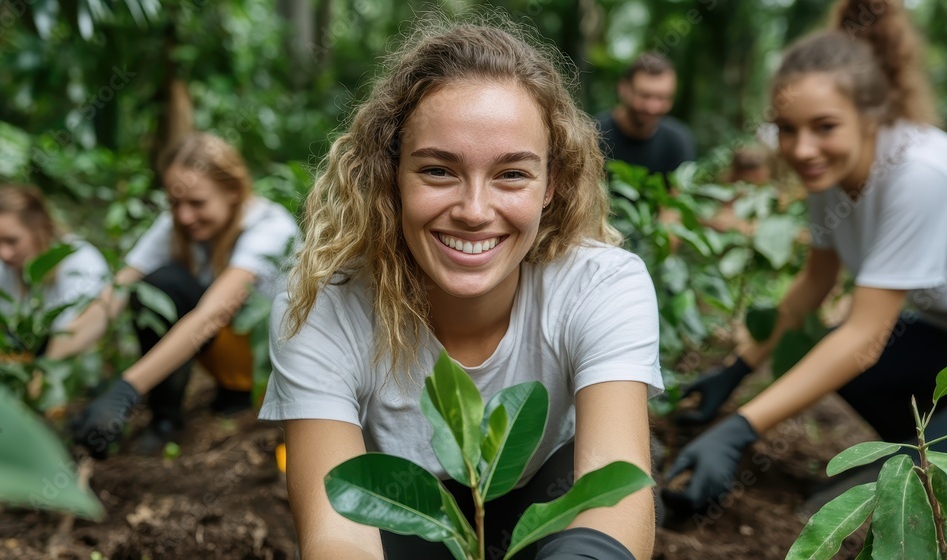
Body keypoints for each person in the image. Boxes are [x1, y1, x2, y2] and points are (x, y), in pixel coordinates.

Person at [257, 20, 663, 560]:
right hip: (409, 520)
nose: (474, 211)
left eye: (512, 175)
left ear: (552, 185)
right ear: (390, 174)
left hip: (548, 513)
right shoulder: (320, 302)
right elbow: (337, 533)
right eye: (438, 171)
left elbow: (617, 491)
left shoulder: (602, 284)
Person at [663, 0, 947, 515]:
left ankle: (935, 470)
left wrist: (739, 430)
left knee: (928, 490)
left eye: (824, 126)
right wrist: (737, 369)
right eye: (786, 128)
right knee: (847, 366)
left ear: (871, 116)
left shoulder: (919, 173)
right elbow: (814, 284)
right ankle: (926, 453)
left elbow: (864, 337)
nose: (801, 149)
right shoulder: (830, 171)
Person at [65, 132, 299, 456]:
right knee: (153, 286)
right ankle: (166, 419)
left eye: (197, 203)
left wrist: (124, 391)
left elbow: (215, 312)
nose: (184, 216)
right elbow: (117, 291)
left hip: (273, 365)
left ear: (232, 192)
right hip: (226, 353)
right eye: (175, 202)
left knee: (168, 284)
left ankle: (239, 396)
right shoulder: (178, 223)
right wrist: (48, 361)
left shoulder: (269, 228)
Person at [0, 186, 109, 352]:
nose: (3, 254)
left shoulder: (80, 261)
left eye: (11, 241)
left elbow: (79, 330)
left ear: (39, 229)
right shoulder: (1, 268)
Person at [596, 52, 696, 177]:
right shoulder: (593, 135)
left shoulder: (677, 142)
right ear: (623, 89)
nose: (652, 108)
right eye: (644, 95)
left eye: (662, 97)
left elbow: (680, 194)